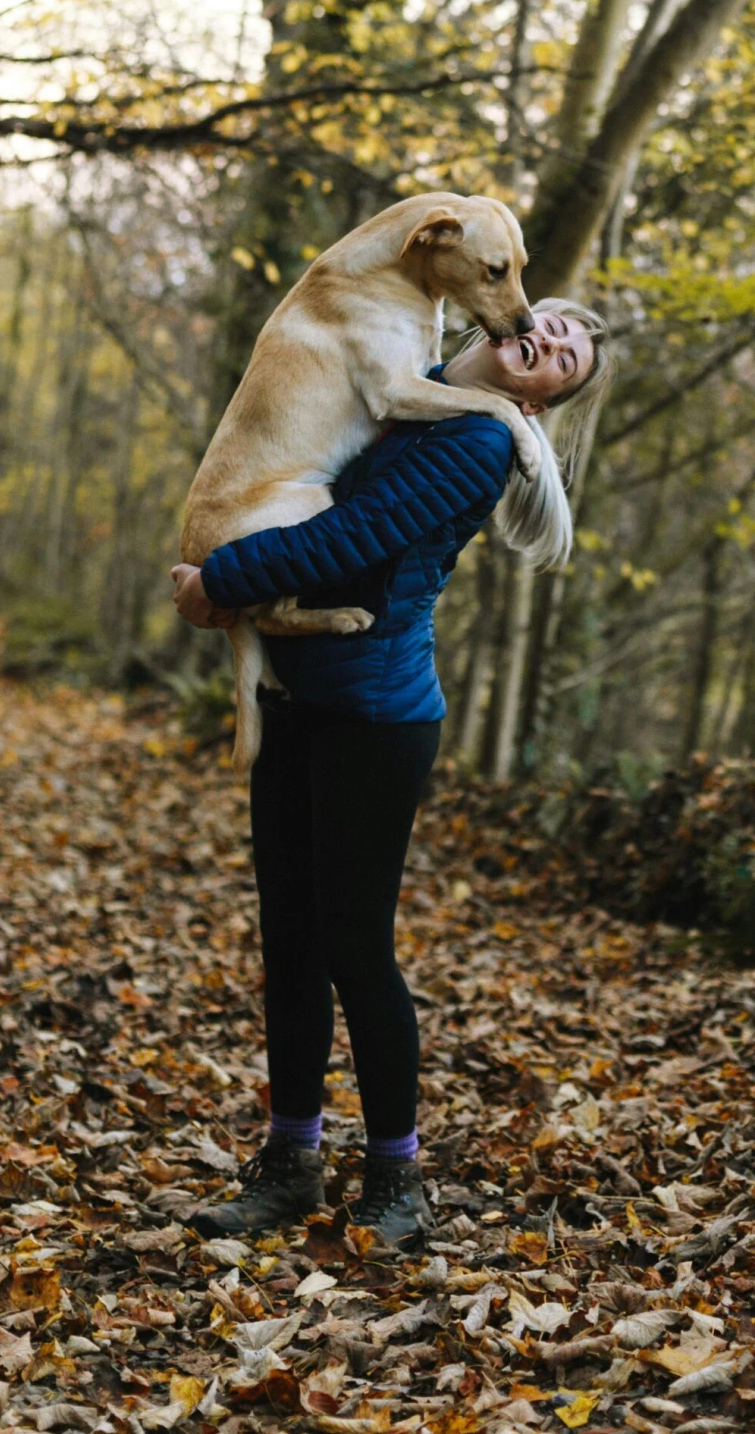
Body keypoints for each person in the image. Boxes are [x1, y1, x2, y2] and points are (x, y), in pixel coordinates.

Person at [170, 298, 611, 1242]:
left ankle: (397, 1178)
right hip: (294, 698)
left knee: (353, 944)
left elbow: (351, 542)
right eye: (555, 321)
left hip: (377, 719)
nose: (550, 339)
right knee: (287, 938)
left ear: (540, 401)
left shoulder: (478, 447)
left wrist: (222, 583)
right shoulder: (401, 392)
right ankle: (291, 1162)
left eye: (564, 359)